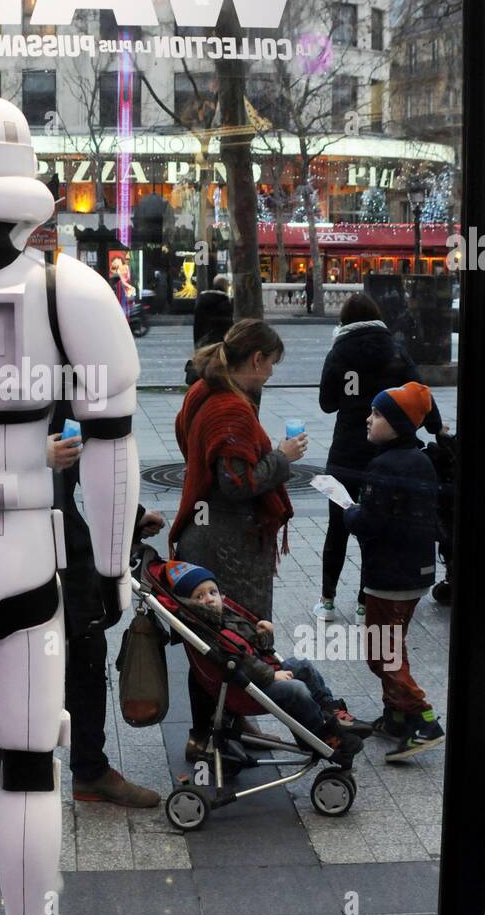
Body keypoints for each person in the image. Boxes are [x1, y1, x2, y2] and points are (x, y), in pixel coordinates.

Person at [0, 410, 164, 807]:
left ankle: (91, 770)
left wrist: (131, 516)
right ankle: (13, 777)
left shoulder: (62, 387)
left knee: (88, 653)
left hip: (67, 548)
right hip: (2, 546)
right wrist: (31, 454)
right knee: (5, 660)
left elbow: (91, 460)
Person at [169, 319, 306, 760]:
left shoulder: (201, 390)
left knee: (210, 641)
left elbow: (190, 444)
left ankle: (224, 723)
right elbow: (236, 482)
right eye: (272, 364)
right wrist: (281, 458)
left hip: (206, 533)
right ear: (257, 359)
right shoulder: (231, 407)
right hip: (227, 545)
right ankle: (208, 735)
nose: (271, 374)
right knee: (223, 640)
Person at [315, 293, 446, 619]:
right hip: (385, 454)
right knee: (375, 530)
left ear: (344, 321)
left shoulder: (339, 352)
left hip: (345, 452)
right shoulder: (395, 350)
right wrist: (436, 427)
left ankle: (327, 601)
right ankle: (365, 602)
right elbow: (420, 392)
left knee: (337, 528)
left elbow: (327, 403)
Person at [164, 561, 367, 766]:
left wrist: (263, 635)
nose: (209, 599)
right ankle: (319, 737)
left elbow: (254, 648)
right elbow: (240, 661)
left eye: (212, 592)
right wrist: (271, 675)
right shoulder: (206, 630)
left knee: (302, 665)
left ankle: (330, 710)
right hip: (245, 688)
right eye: (199, 596)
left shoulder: (226, 616)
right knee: (295, 689)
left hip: (257, 674)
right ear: (189, 605)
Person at [343, 383, 445, 761]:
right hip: (416, 573)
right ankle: (396, 717)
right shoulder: (420, 459)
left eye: (379, 414)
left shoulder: (384, 465)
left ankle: (424, 719)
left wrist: (349, 512)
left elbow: (371, 523)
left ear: (399, 423)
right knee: (392, 646)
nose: (369, 420)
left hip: (388, 576)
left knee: (382, 654)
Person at [192, 274, 233, 350]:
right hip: (217, 344)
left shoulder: (202, 300)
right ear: (225, 286)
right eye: (228, 285)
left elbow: (197, 324)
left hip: (203, 341)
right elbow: (226, 326)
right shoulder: (224, 302)